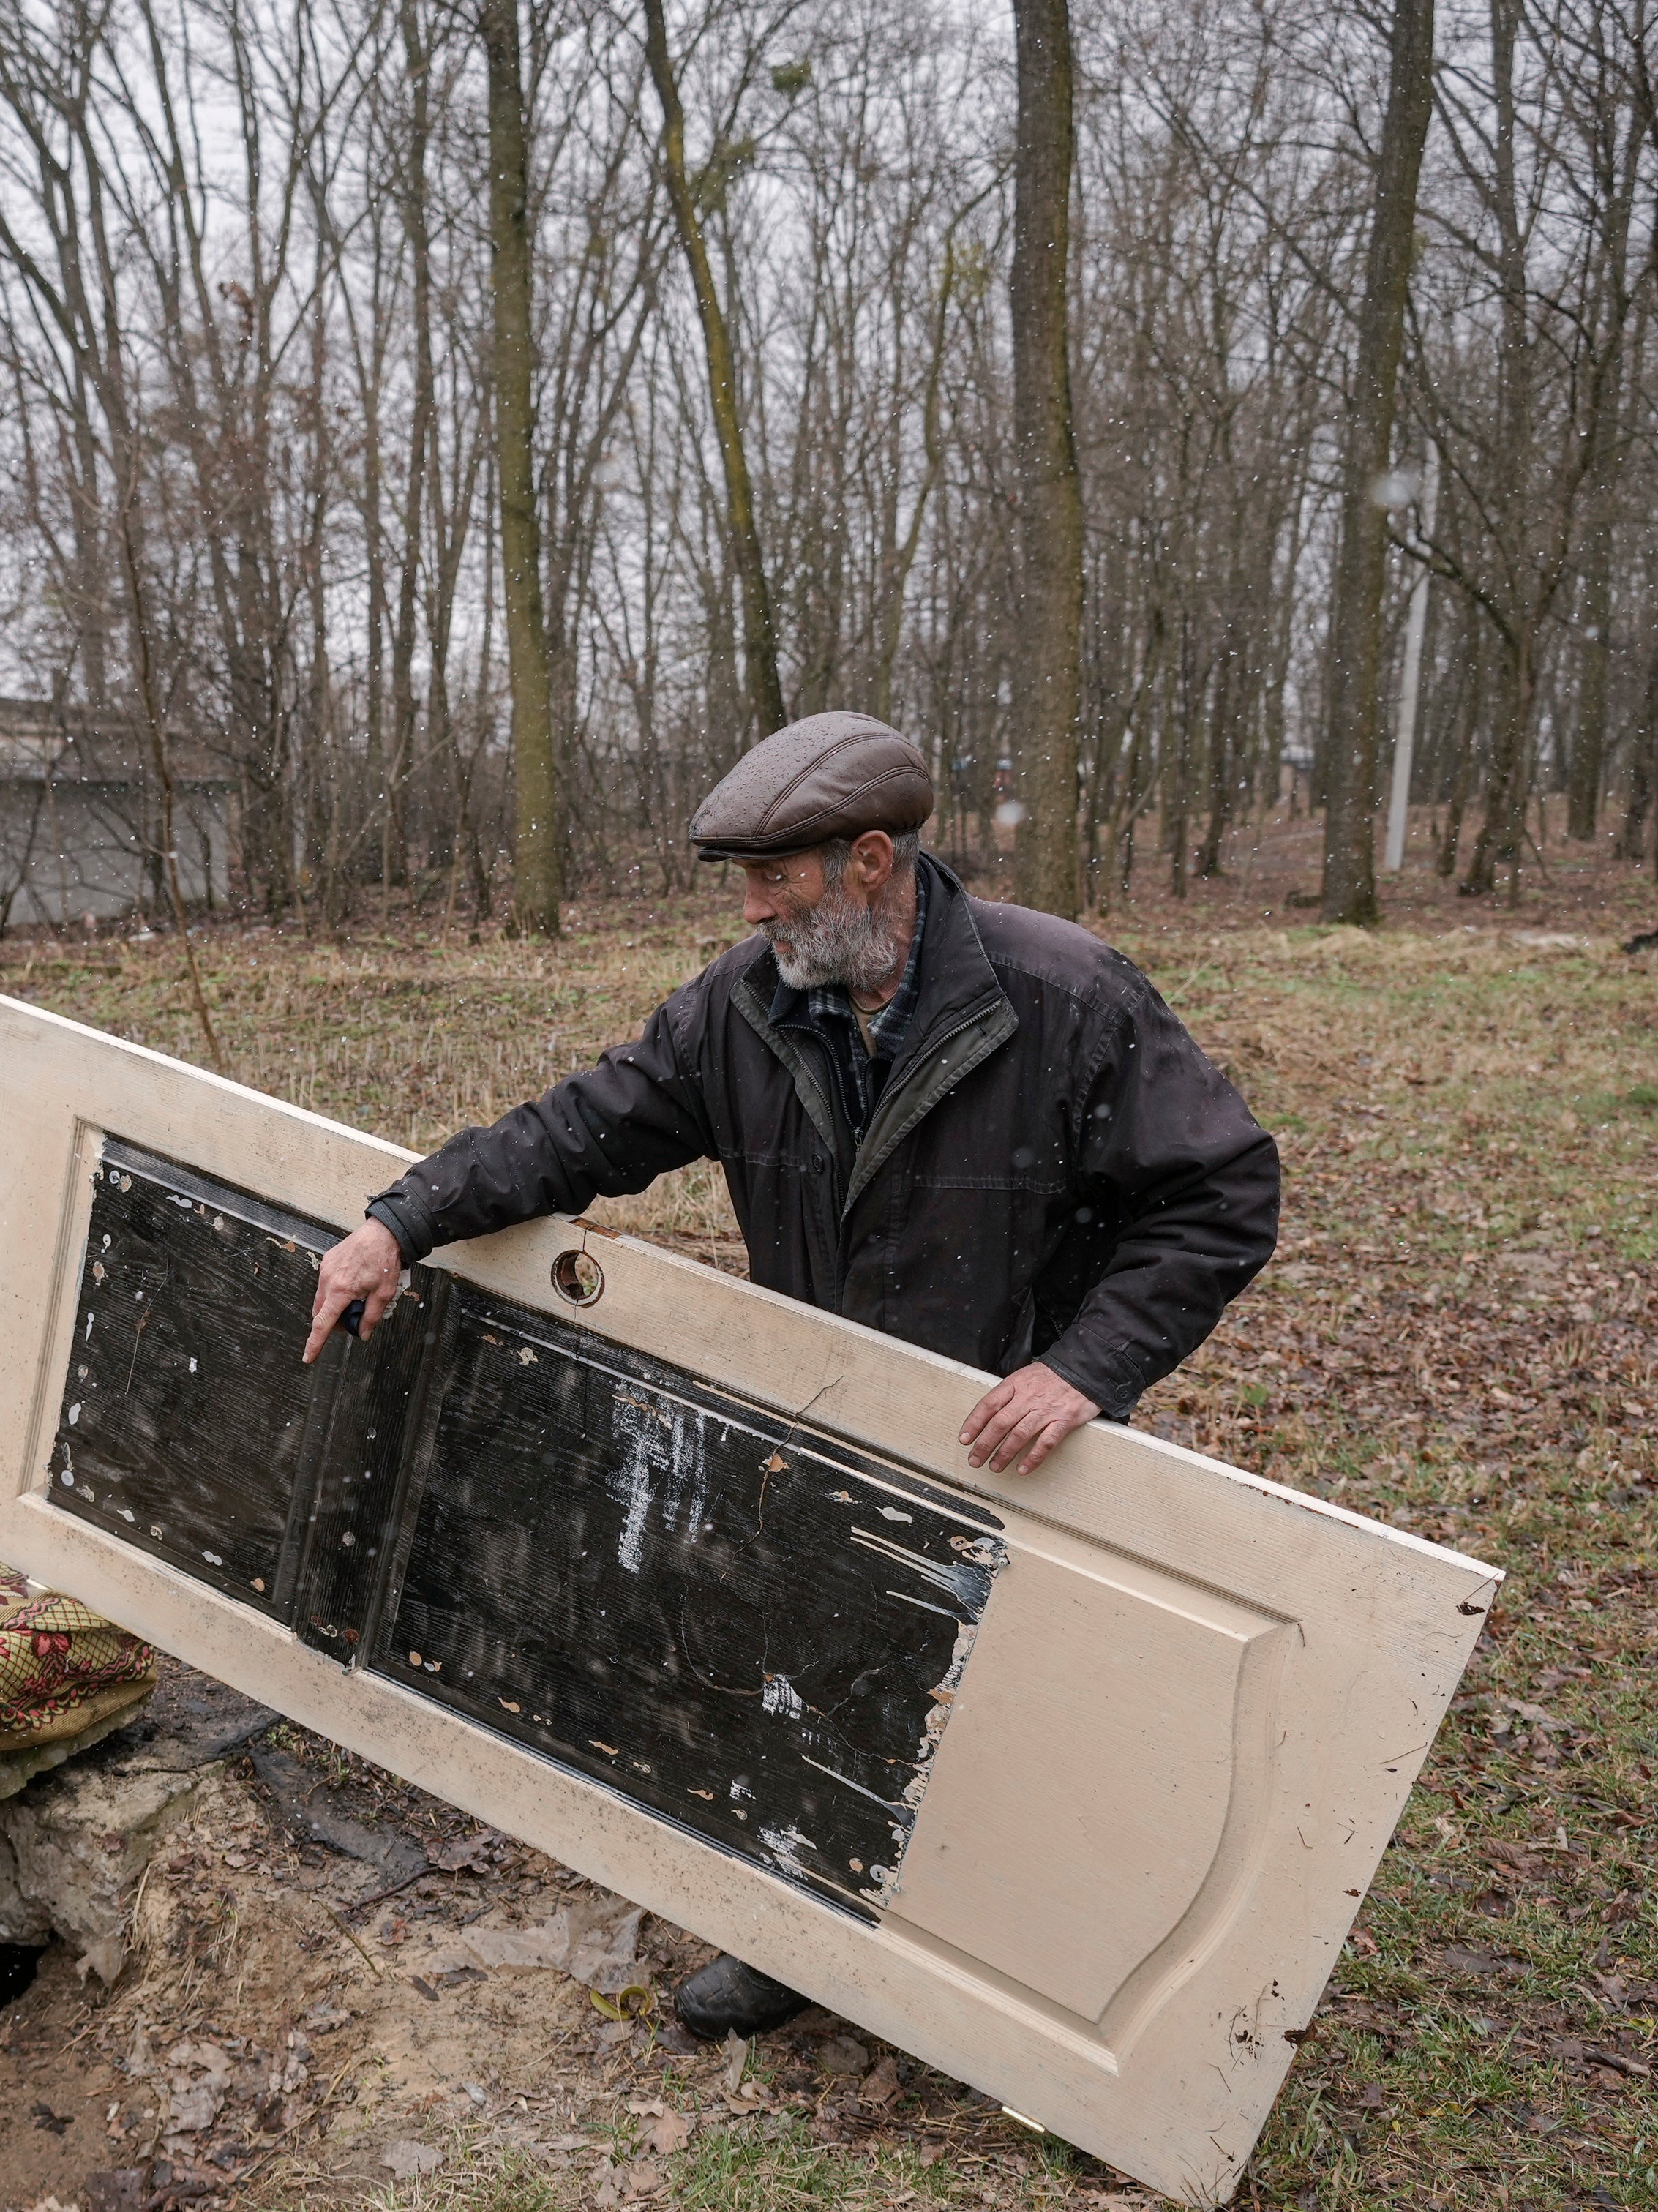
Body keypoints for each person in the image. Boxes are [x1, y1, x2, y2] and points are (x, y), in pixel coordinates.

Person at [299, 709, 1281, 2038]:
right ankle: (804, 1942)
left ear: (870, 861)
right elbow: (582, 1129)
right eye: (744, 882)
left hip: (1011, 1422)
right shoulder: (745, 1007)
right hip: (833, 1412)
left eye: (778, 879)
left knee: (998, 1708)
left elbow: (1220, 1195)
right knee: (825, 1667)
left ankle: (1010, 1995)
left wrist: (1083, 1371)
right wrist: (401, 1219)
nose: (752, 907)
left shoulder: (1065, 999)